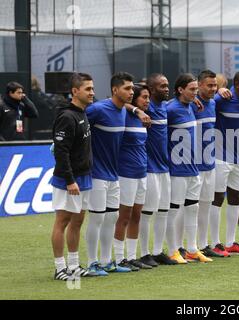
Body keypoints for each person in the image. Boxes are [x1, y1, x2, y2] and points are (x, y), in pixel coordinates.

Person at [85, 72, 145, 276]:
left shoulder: (123, 111)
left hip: (114, 174)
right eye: (127, 88)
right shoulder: (97, 109)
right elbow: (75, 124)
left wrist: (136, 109)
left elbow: (127, 106)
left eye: (132, 89)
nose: (131, 92)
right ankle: (92, 263)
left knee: (112, 218)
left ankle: (106, 261)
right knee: (96, 219)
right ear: (114, 90)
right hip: (96, 174)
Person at [50, 73, 94, 280]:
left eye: (92, 88)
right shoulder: (67, 117)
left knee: (77, 221)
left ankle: (74, 266)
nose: (92, 92)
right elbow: (60, 152)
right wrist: (69, 180)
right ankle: (60, 268)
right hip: (68, 180)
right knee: (63, 221)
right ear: (75, 91)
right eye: (88, 89)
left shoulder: (82, 113)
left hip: (84, 177)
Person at [166, 73, 212, 263]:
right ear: (180, 90)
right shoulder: (171, 108)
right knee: (174, 210)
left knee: (193, 208)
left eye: (196, 89)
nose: (196, 93)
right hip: (177, 169)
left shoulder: (190, 106)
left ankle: (192, 249)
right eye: (192, 89)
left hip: (194, 168)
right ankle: (172, 250)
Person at [210, 71, 239, 256]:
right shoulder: (223, 99)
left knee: (235, 198)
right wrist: (217, 91)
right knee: (217, 199)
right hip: (220, 157)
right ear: (236, 84)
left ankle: (230, 242)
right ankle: (214, 243)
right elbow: (205, 101)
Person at [139, 73, 177, 266]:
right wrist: (136, 110)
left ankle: (157, 251)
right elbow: (125, 105)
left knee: (163, 210)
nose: (166, 88)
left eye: (167, 85)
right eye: (162, 86)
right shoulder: (145, 107)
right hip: (149, 168)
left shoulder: (165, 107)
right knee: (147, 212)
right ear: (151, 90)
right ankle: (144, 253)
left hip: (165, 167)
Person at [113, 84, 152, 271]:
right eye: (144, 97)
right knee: (124, 216)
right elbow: (120, 104)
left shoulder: (143, 118)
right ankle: (120, 258)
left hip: (141, 173)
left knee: (137, 215)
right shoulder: (126, 114)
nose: (147, 101)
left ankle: (131, 256)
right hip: (126, 173)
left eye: (148, 97)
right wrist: (136, 110)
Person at [192, 70, 225, 258]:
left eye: (215, 85)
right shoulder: (190, 104)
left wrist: (222, 90)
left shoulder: (213, 103)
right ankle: (185, 246)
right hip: (192, 165)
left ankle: (203, 245)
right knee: (189, 207)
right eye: (209, 85)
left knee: (206, 205)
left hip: (209, 163)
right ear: (199, 85)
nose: (213, 88)